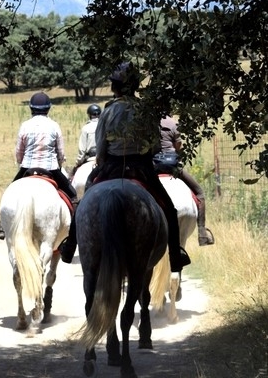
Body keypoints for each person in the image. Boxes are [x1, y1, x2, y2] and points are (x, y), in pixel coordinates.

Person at [58, 62, 192, 273]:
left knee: (83, 202)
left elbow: (101, 145)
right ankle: (175, 254)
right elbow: (155, 145)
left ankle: (70, 245)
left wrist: (102, 162)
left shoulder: (108, 111)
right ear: (135, 86)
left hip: (111, 166)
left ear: (114, 87)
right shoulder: (145, 111)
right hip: (142, 167)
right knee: (168, 208)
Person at [0, 92, 78, 240]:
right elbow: (61, 152)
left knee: (9, 192)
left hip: (27, 168)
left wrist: (21, 162)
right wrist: (59, 162)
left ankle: (2, 225)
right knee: (73, 196)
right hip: (50, 168)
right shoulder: (54, 126)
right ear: (48, 109)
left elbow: (19, 151)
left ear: (31, 108)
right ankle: (72, 232)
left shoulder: (25, 126)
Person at [155, 115, 215, 246]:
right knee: (200, 193)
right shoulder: (172, 123)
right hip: (171, 166)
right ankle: (202, 233)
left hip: (151, 167)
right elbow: (178, 146)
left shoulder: (145, 122)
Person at [70, 104, 101, 176]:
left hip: (89, 158)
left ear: (89, 115)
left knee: (72, 177)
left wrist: (78, 163)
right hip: (103, 158)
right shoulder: (105, 126)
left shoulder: (86, 128)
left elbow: (82, 150)